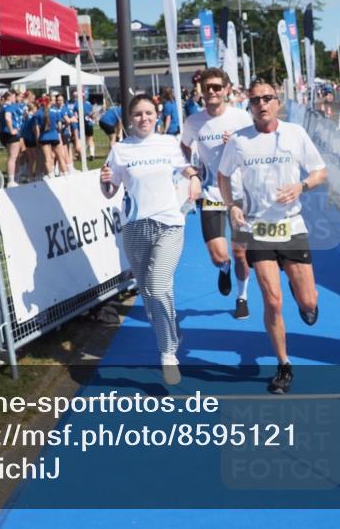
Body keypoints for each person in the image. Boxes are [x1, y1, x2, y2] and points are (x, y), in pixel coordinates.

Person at [218, 80, 328, 395]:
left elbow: (320, 172)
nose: (262, 104)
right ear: (249, 106)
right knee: (272, 300)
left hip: (291, 225)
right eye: (255, 100)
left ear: (277, 102)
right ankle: (283, 364)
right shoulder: (238, 141)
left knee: (307, 301)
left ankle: (303, 294)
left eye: (267, 98)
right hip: (259, 229)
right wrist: (231, 205)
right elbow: (223, 175)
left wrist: (301, 186)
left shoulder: (295, 133)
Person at [100, 94, 201, 385]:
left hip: (169, 224)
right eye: (137, 114)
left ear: (156, 115)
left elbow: (184, 167)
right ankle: (172, 330)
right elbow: (109, 190)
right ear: (130, 119)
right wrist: (104, 180)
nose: (143, 118)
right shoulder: (120, 149)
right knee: (149, 296)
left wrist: (194, 177)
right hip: (135, 229)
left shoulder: (168, 143)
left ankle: (168, 352)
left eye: (148, 113)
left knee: (158, 287)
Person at [180, 68, 254, 319]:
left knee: (241, 252)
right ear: (201, 90)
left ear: (226, 90)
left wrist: (237, 142)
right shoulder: (193, 121)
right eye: (207, 87)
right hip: (211, 194)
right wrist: (192, 171)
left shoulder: (241, 117)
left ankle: (242, 297)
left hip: (240, 194)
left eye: (216, 87)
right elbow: (183, 147)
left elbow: (256, 147)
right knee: (219, 255)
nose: (211, 91)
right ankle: (224, 269)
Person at [0, 91, 24, 187]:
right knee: (13, 157)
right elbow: (7, 117)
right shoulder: (9, 106)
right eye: (14, 96)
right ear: (9, 97)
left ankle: (14, 178)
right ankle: (11, 181)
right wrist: (11, 130)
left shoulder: (3, 107)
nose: (15, 98)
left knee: (12, 156)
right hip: (10, 134)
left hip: (4, 133)